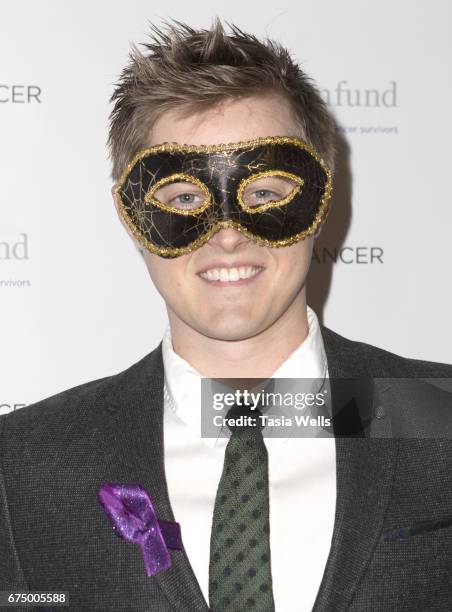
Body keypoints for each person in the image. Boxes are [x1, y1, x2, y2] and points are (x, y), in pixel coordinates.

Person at [1, 18, 451, 612]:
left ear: (322, 195)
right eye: (184, 198)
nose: (229, 236)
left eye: (265, 193)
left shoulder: (441, 421)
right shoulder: (23, 468)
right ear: (129, 212)